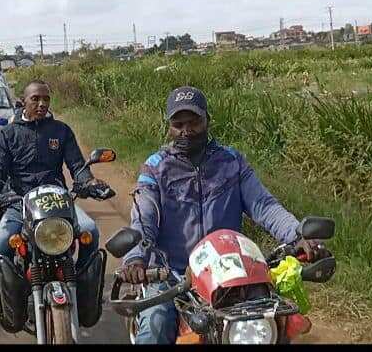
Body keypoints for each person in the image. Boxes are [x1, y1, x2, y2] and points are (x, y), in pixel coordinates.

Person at [118, 86, 327, 344]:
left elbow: (264, 205)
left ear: (207, 120)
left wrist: (297, 236)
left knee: (278, 321)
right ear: (169, 127)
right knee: (156, 322)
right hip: (173, 274)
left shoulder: (231, 161)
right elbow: (144, 215)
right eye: (178, 123)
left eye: (193, 121)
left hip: (231, 271)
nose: (186, 130)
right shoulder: (156, 167)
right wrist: (136, 258)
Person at [0, 80, 110, 270]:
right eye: (35, 99)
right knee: (1, 245)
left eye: (46, 99)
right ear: (23, 101)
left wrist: (89, 181)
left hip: (57, 200)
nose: (42, 104)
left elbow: (77, 165)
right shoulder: (7, 134)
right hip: (19, 203)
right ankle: (9, 298)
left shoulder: (61, 130)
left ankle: (86, 292)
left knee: (90, 231)